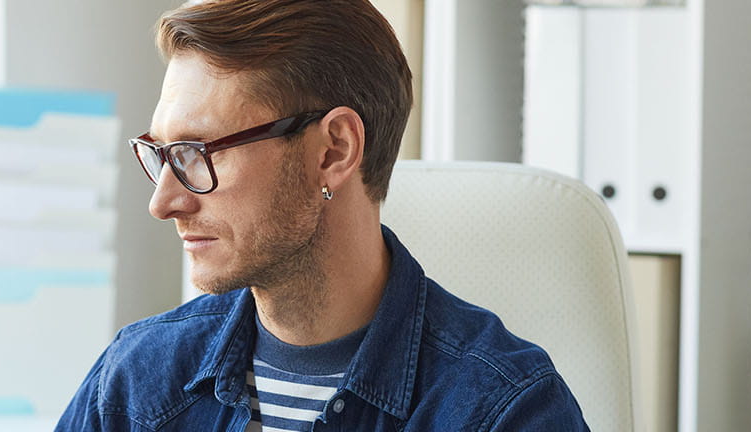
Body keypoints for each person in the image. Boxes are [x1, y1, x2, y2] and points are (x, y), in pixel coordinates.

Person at [56, 0, 589, 430]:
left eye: (198, 153)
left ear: (334, 150)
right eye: (164, 155)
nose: (163, 202)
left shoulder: (505, 410)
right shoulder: (135, 382)